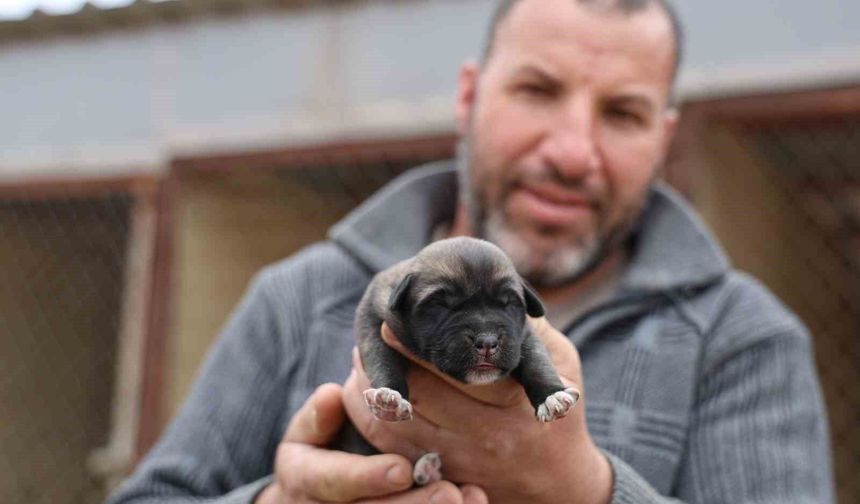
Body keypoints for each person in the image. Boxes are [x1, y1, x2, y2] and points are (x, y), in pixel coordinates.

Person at [108, 0, 835, 503]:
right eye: (537, 90)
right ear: (469, 95)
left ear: (665, 137)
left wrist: (585, 491)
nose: (573, 152)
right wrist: (280, 498)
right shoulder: (301, 296)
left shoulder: (743, 339)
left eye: (622, 113)